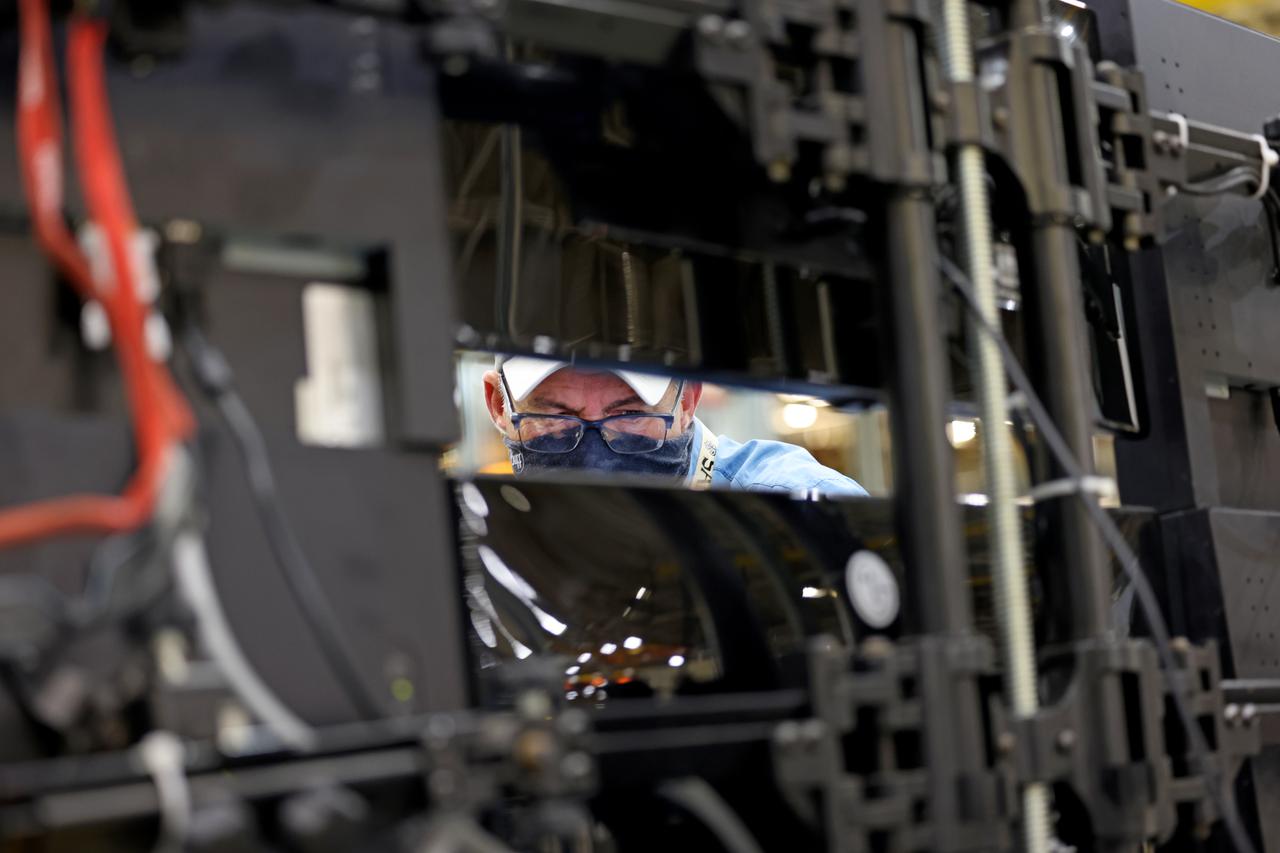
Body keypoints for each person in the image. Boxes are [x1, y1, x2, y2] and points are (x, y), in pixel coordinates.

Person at [482, 356, 866, 497]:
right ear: (499, 404)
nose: (594, 457)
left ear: (687, 402)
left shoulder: (803, 508)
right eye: (555, 416)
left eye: (629, 414)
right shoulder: (477, 542)